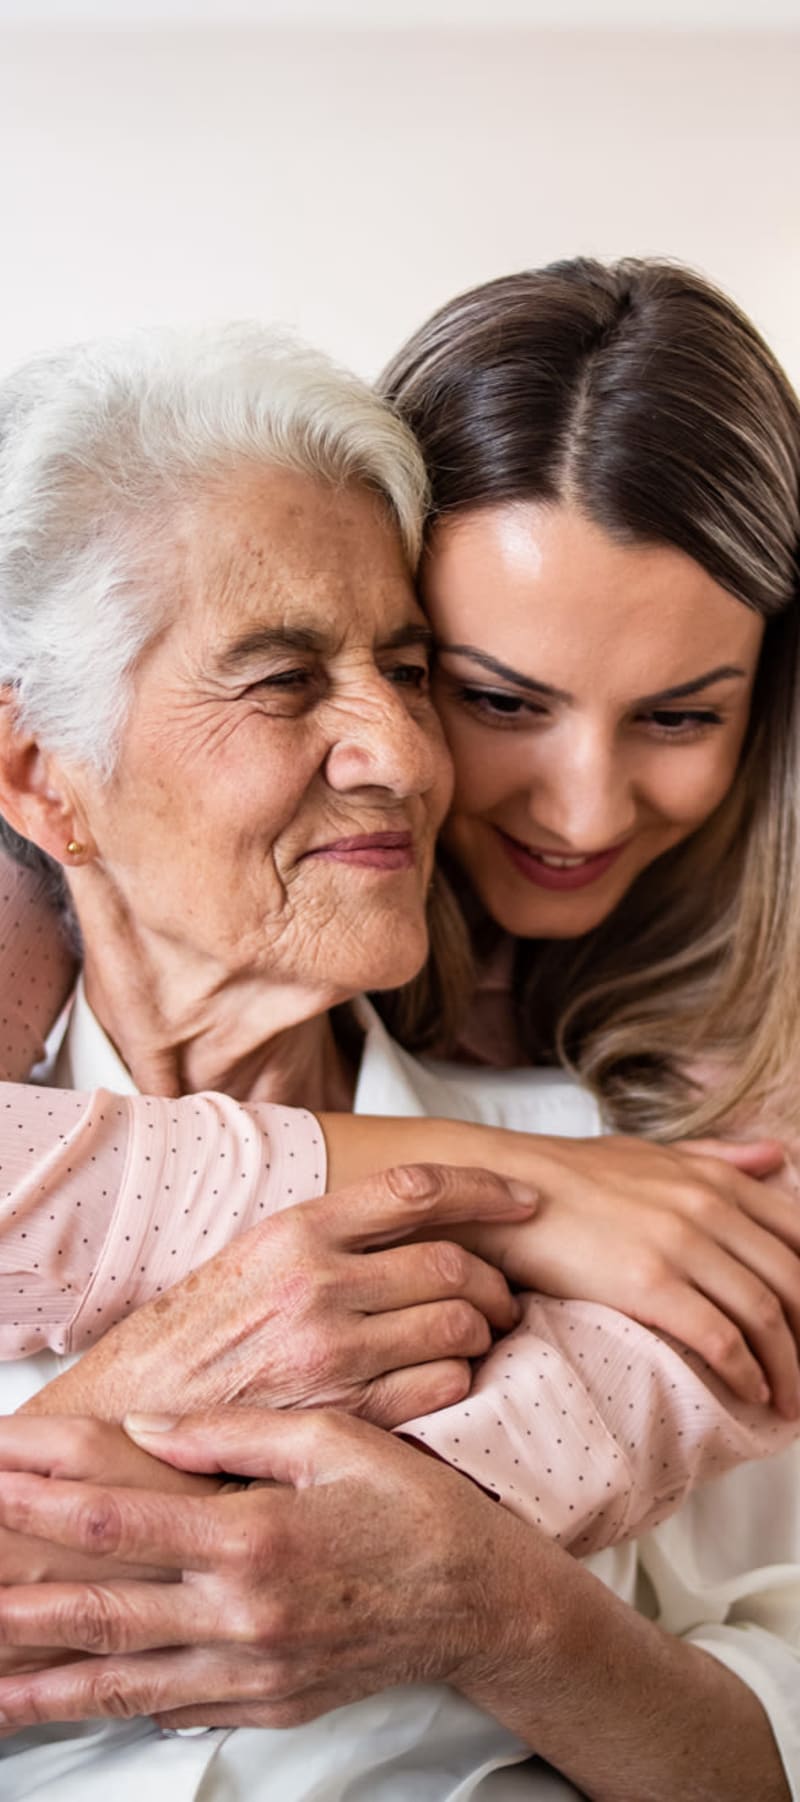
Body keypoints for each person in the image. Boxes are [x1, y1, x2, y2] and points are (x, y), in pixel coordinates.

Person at [0, 266, 798, 1795]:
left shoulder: (666, 1175)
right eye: (288, 678)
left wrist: (488, 1599)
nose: (404, 751)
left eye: (412, 669)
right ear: (45, 779)